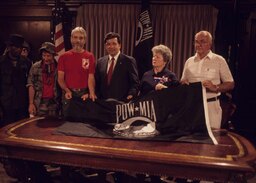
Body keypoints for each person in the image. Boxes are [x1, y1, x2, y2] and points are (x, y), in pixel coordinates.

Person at [180, 30, 235, 129]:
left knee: (211, 140)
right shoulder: (189, 61)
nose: (199, 44)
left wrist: (215, 87)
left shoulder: (219, 60)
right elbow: (183, 81)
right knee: (190, 141)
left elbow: (230, 84)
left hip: (211, 107)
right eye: (197, 41)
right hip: (192, 107)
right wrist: (183, 83)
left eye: (203, 41)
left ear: (210, 44)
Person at [57, 26, 97, 117]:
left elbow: (91, 77)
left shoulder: (90, 56)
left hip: (84, 94)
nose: (78, 40)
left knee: (84, 122)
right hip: (68, 93)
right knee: (67, 121)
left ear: (85, 40)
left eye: (81, 38)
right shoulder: (63, 57)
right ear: (71, 39)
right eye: (75, 37)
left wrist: (91, 93)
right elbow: (60, 79)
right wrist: (67, 90)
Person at [95, 32, 140, 102]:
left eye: (114, 43)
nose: (111, 46)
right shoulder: (100, 62)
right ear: (105, 46)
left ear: (119, 45)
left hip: (122, 103)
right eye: (108, 44)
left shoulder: (129, 61)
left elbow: (135, 83)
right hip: (103, 103)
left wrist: (131, 95)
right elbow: (97, 83)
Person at [0, 34, 31, 127]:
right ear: (9, 47)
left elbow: (30, 83)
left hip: (22, 104)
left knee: (22, 131)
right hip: (5, 105)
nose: (19, 49)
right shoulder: (1, 62)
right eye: (16, 47)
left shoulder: (26, 62)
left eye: (20, 47)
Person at [27, 42, 61, 117]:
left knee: (54, 127)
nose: (46, 58)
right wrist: (31, 103)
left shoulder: (59, 68)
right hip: (39, 104)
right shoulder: (35, 67)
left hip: (55, 105)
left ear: (53, 55)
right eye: (44, 55)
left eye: (48, 56)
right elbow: (31, 85)